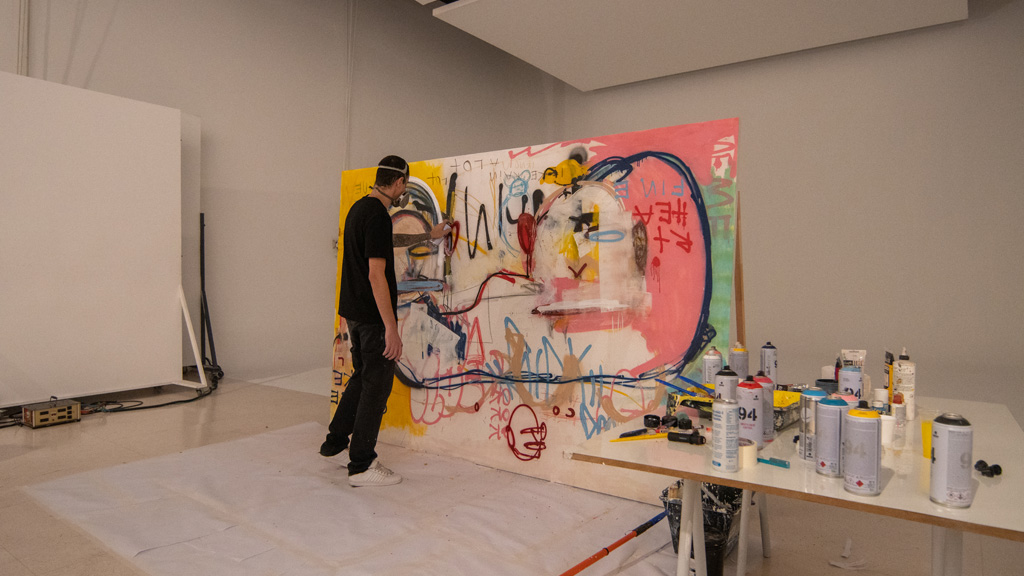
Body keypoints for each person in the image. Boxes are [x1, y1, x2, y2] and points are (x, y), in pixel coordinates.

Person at [321, 155, 450, 487]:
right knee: (376, 387)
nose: (404, 191)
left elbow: (385, 243)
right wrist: (391, 328)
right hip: (373, 317)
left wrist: (427, 236)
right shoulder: (378, 215)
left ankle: (335, 442)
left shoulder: (360, 209)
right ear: (399, 183)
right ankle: (362, 464)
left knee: (362, 377)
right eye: (404, 185)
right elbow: (376, 274)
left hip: (354, 313)